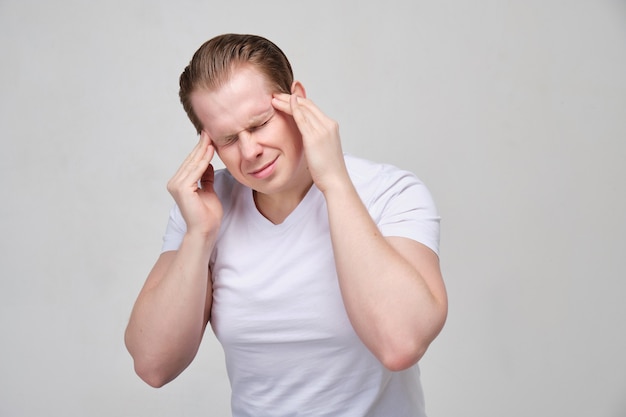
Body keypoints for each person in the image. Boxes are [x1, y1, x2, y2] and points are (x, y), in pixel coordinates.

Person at [125, 33, 447, 417]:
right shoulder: (204, 209)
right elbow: (153, 365)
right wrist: (199, 236)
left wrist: (335, 183)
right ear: (206, 143)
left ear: (296, 100)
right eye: (228, 139)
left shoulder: (390, 193)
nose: (249, 151)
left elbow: (401, 343)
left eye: (260, 124)